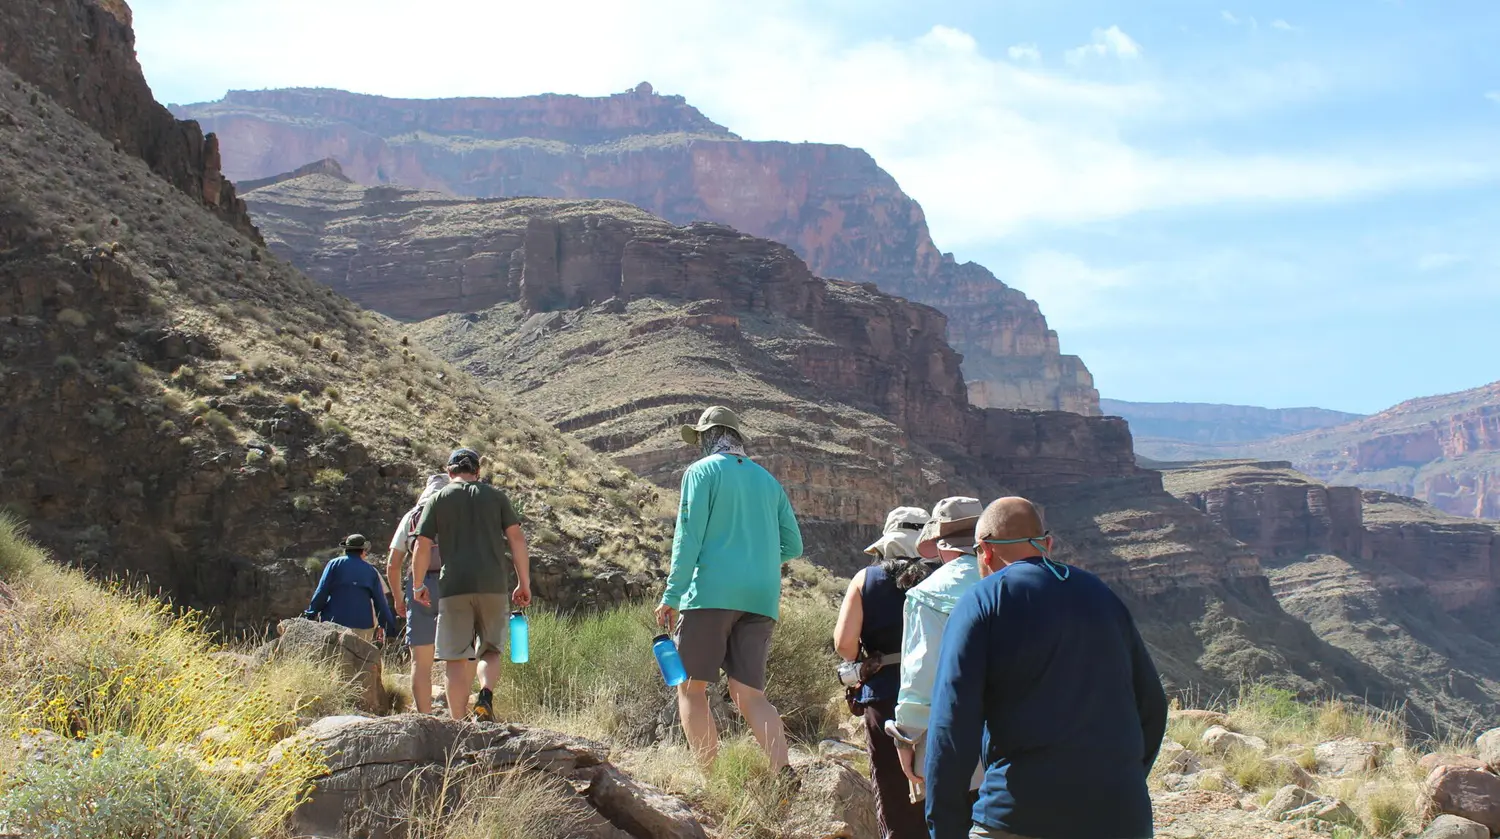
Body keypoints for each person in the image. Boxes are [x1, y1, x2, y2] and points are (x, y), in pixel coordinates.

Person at [925, 497, 1168, 839]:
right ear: (1048, 544)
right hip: (1121, 815)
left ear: (985, 551)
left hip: (1020, 814)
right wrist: (1121, 779)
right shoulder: (1103, 596)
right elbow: (1152, 707)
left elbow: (952, 726)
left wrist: (944, 828)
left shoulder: (982, 601)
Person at [654, 406, 803, 774]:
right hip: (761, 598)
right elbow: (794, 546)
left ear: (708, 437)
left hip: (710, 593)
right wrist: (759, 561)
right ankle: (782, 773)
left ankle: (713, 778)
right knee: (749, 694)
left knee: (691, 688)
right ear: (736, 437)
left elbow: (687, 539)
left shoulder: (700, 472)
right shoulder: (769, 481)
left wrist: (672, 595)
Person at [833, 506, 934, 839]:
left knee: (894, 792)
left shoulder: (867, 579)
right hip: (941, 689)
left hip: (885, 693)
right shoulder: (946, 574)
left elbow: (845, 645)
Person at [412, 448, 532, 722]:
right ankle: (486, 694)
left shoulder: (438, 499)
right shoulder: (496, 497)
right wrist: (524, 583)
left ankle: (457, 724)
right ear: (478, 471)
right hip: (493, 585)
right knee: (489, 650)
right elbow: (517, 539)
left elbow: (422, 544)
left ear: (449, 471)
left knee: (455, 658)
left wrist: (418, 583)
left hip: (454, 587)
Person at [887, 497, 987, 803]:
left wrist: (907, 737)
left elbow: (921, 672)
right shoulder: (1010, 583)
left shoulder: (925, 596)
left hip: (952, 736)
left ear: (941, 545)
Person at [386, 473, 450, 714]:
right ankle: (457, 718)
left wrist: (398, 598)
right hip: (453, 584)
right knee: (458, 658)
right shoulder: (455, 511)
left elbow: (393, 563)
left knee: (420, 662)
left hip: (419, 587)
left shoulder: (411, 517)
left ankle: (425, 717)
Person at [304, 534, 400, 643]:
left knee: (334, 658)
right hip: (363, 625)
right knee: (359, 659)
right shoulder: (370, 571)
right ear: (363, 551)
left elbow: (321, 592)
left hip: (333, 623)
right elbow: (381, 602)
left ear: (346, 549)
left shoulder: (334, 564)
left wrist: (311, 615)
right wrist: (388, 628)